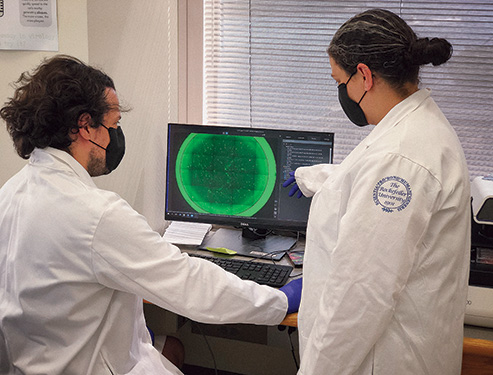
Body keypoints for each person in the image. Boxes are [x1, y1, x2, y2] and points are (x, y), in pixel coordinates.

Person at [0, 55, 302, 375]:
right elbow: (192, 286)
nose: (116, 137)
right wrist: (279, 301)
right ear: (85, 126)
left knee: (167, 347)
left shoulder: (9, 194)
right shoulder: (98, 216)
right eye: (114, 125)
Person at [283, 9, 470, 375]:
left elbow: (361, 295)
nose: (341, 92)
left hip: (382, 360)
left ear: (364, 75)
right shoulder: (414, 128)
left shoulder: (400, 156)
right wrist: (319, 177)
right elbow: (370, 183)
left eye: (340, 80)